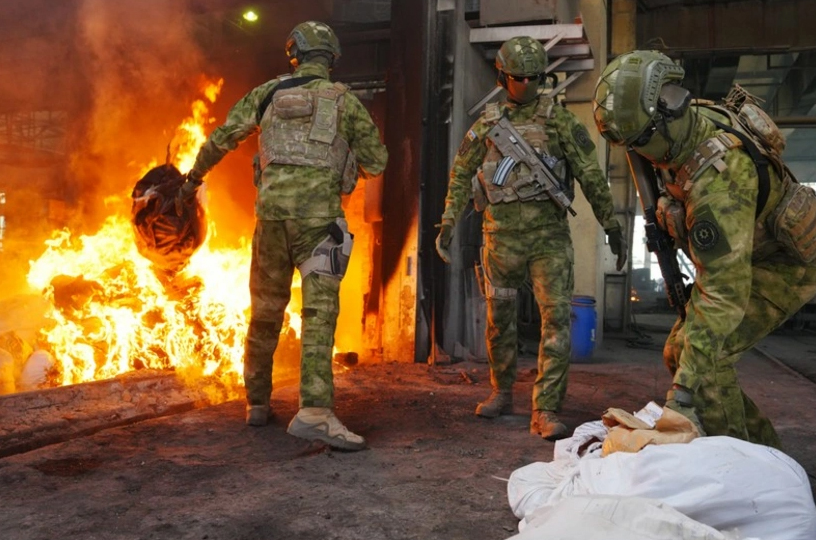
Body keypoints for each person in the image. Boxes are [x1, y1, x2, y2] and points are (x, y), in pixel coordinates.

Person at [593, 50, 816, 448]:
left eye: (641, 141)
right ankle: (762, 452)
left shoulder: (720, 182)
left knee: (704, 365)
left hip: (785, 264)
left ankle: (742, 467)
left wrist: (681, 398)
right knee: (678, 352)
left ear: (666, 113)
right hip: (746, 253)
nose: (639, 154)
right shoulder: (683, 123)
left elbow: (724, 294)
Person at [186, 21, 388, 451]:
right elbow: (377, 162)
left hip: (272, 220)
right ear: (331, 59)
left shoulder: (267, 94)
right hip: (318, 224)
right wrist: (345, 156)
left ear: (294, 55)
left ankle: (257, 403)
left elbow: (224, 138)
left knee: (264, 311)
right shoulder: (346, 102)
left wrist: (191, 180)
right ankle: (314, 411)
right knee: (318, 315)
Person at [436, 36, 627, 440]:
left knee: (556, 321)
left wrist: (611, 225)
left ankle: (546, 408)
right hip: (500, 239)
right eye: (519, 77)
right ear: (502, 76)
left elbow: (591, 174)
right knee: (498, 322)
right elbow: (460, 175)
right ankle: (501, 392)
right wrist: (449, 221)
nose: (526, 84)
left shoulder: (559, 121)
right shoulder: (487, 123)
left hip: (548, 240)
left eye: (534, 78)